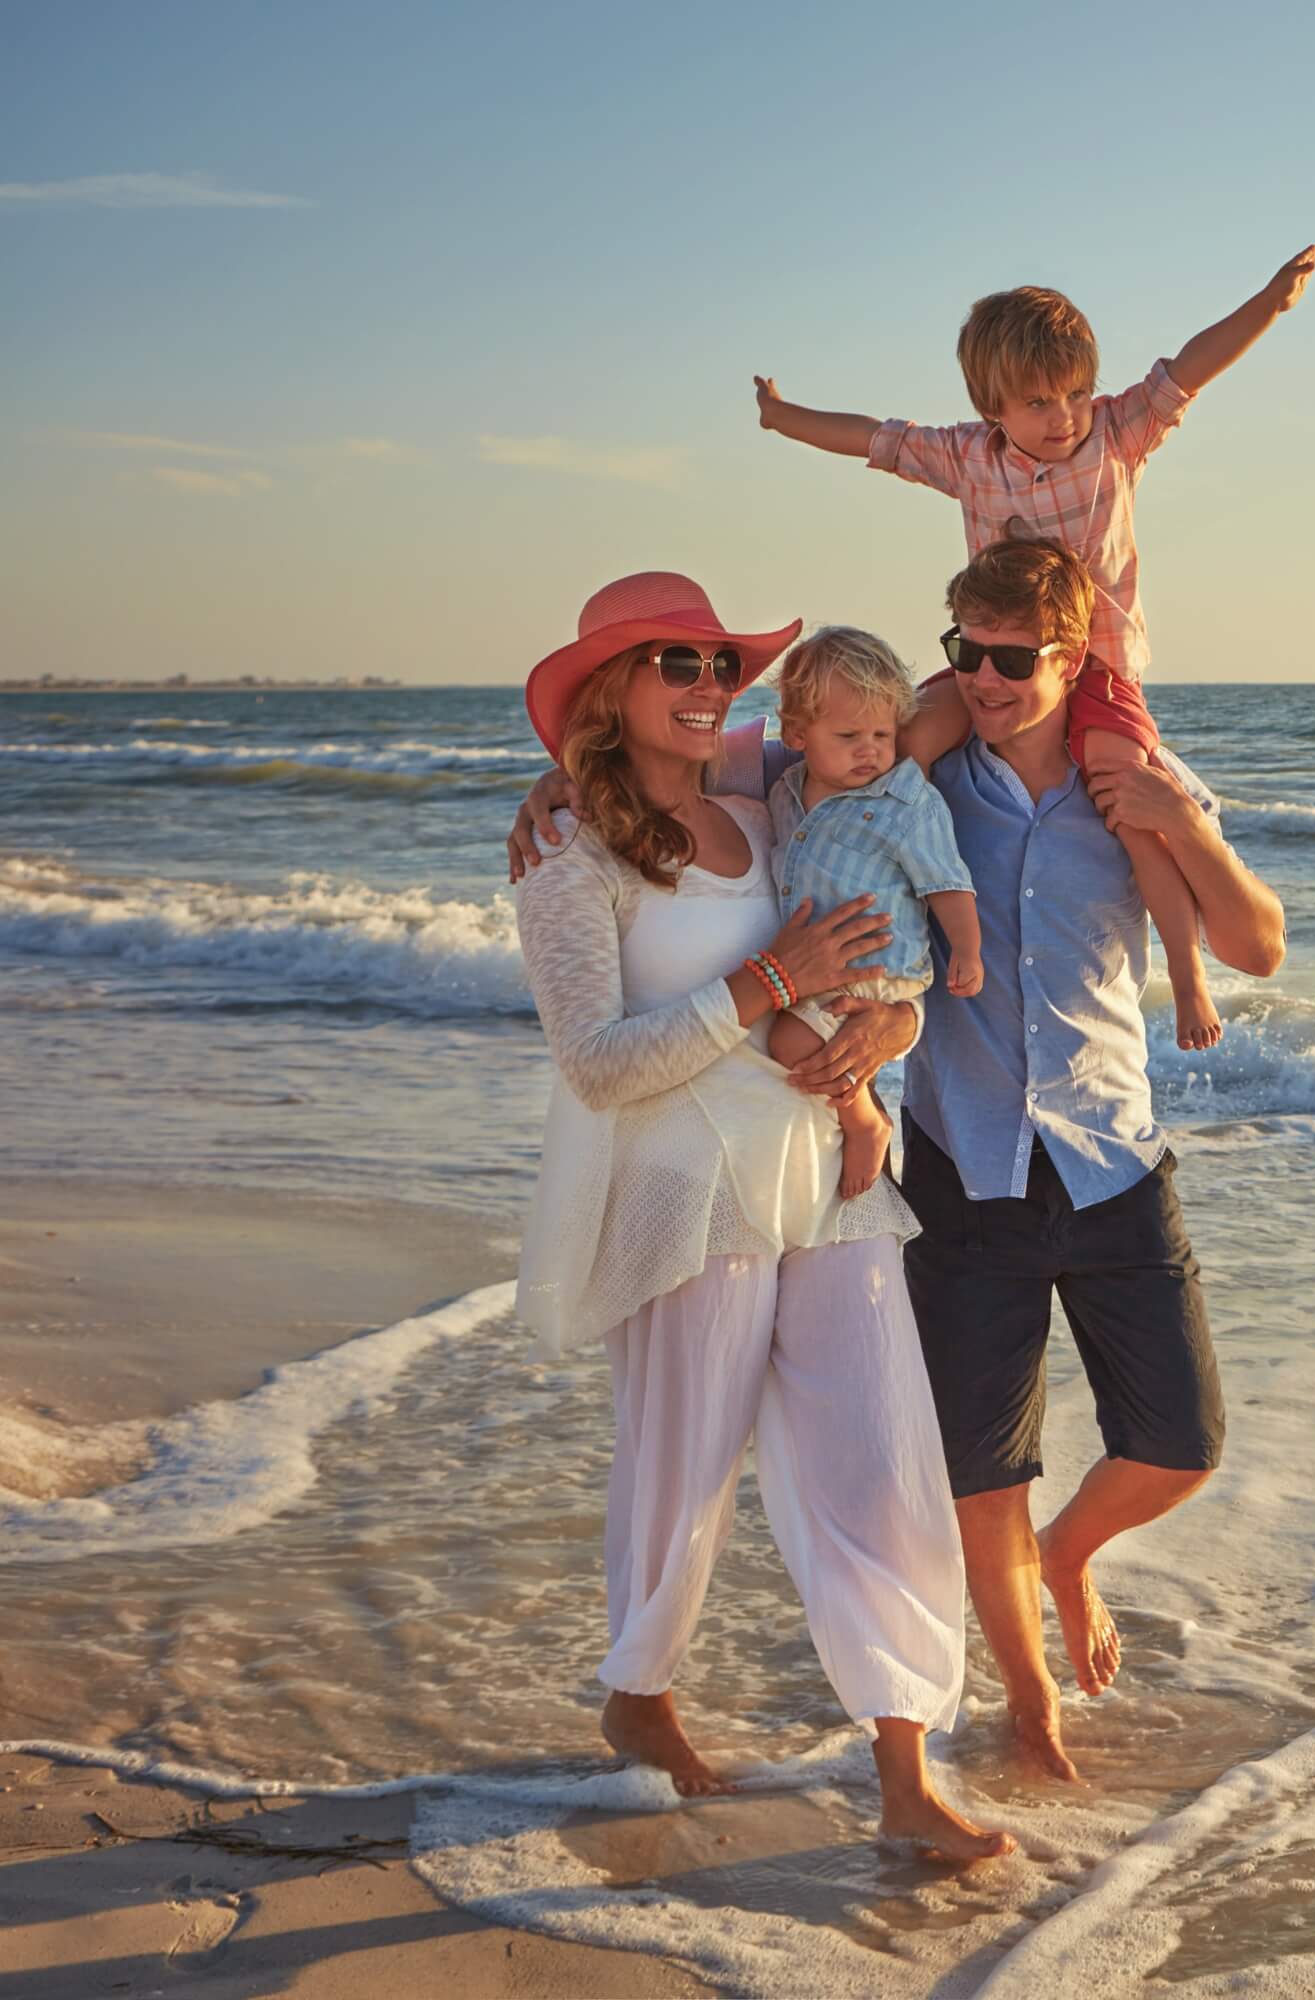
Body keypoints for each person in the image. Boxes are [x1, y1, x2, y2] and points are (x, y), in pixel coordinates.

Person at [509, 542, 1287, 1784]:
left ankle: (989, 1664)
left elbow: (1244, 942)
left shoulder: (1094, 778)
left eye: (1009, 657)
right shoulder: (849, 784)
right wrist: (559, 785)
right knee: (832, 1471)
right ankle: (701, 1690)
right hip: (832, 1182)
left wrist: (1177, 824)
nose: (980, 678)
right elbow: (697, 806)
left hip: (975, 1169)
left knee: (1036, 1453)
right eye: (962, 652)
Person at [511, 567, 1011, 1861]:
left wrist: (894, 1018)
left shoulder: (764, 800)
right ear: (611, 692)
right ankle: (639, 1692)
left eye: (718, 664)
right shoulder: (574, 859)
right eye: (672, 664)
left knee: (883, 1457)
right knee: (684, 1469)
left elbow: (874, 896)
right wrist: (763, 984)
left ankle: (907, 1761)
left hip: (832, 1179)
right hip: (687, 1199)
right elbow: (599, 1066)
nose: (705, 684)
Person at [750, 245, 1315, 1053]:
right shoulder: (967, 459)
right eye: (1040, 402)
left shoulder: (1116, 435)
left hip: (1104, 669)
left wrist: (1268, 304)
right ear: (993, 408)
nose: (1065, 417)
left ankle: (1186, 980)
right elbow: (871, 438)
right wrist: (783, 418)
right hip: (997, 643)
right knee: (898, 744)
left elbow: (1190, 368)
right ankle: (870, 944)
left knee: (1135, 813)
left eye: (1077, 393)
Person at [765, 626, 982, 1199]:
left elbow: (946, 881)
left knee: (789, 1042)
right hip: (814, 975)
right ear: (795, 733)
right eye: (848, 734)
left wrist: (967, 948)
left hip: (877, 974)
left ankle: (865, 1121)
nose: (871, 750)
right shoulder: (781, 790)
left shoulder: (905, 802)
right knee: (790, 1044)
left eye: (883, 734)